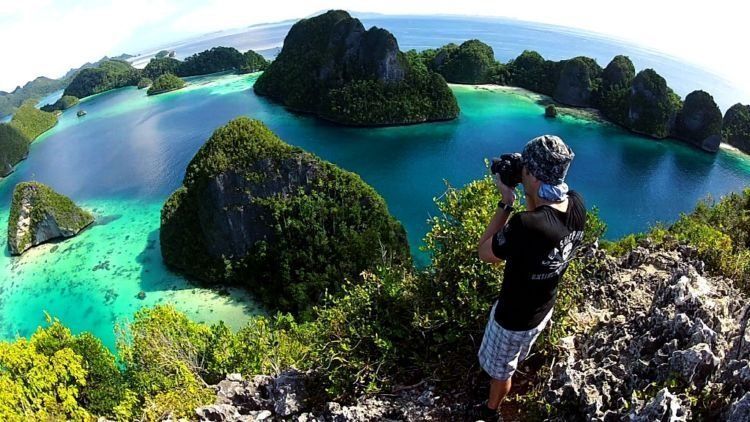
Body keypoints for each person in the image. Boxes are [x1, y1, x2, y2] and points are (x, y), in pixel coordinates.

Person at [474, 135, 587, 420]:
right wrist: (529, 191)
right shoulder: (576, 206)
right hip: (542, 310)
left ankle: (491, 411)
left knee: (501, 371)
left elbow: (485, 252)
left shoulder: (526, 225)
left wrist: (506, 202)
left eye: (525, 168)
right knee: (515, 357)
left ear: (534, 175)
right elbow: (543, 221)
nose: (520, 170)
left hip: (512, 319)